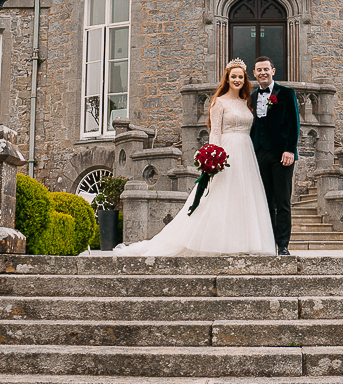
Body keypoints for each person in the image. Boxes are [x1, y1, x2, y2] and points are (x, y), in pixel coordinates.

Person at [112, 58, 276, 256]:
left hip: (246, 153)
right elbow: (214, 132)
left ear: (245, 79)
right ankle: (215, 243)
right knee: (220, 197)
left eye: (240, 77)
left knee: (244, 197)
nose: (237, 80)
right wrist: (213, 160)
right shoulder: (219, 102)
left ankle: (244, 243)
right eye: (233, 76)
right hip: (228, 152)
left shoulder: (246, 102)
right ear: (227, 78)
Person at [249, 55, 299, 255]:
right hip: (259, 154)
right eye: (259, 70)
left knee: (283, 201)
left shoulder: (286, 93)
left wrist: (290, 150)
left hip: (282, 155)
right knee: (265, 201)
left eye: (266, 69)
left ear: (273, 71)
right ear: (254, 73)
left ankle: (283, 245)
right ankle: (269, 242)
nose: (262, 73)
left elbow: (294, 123)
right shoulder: (251, 97)